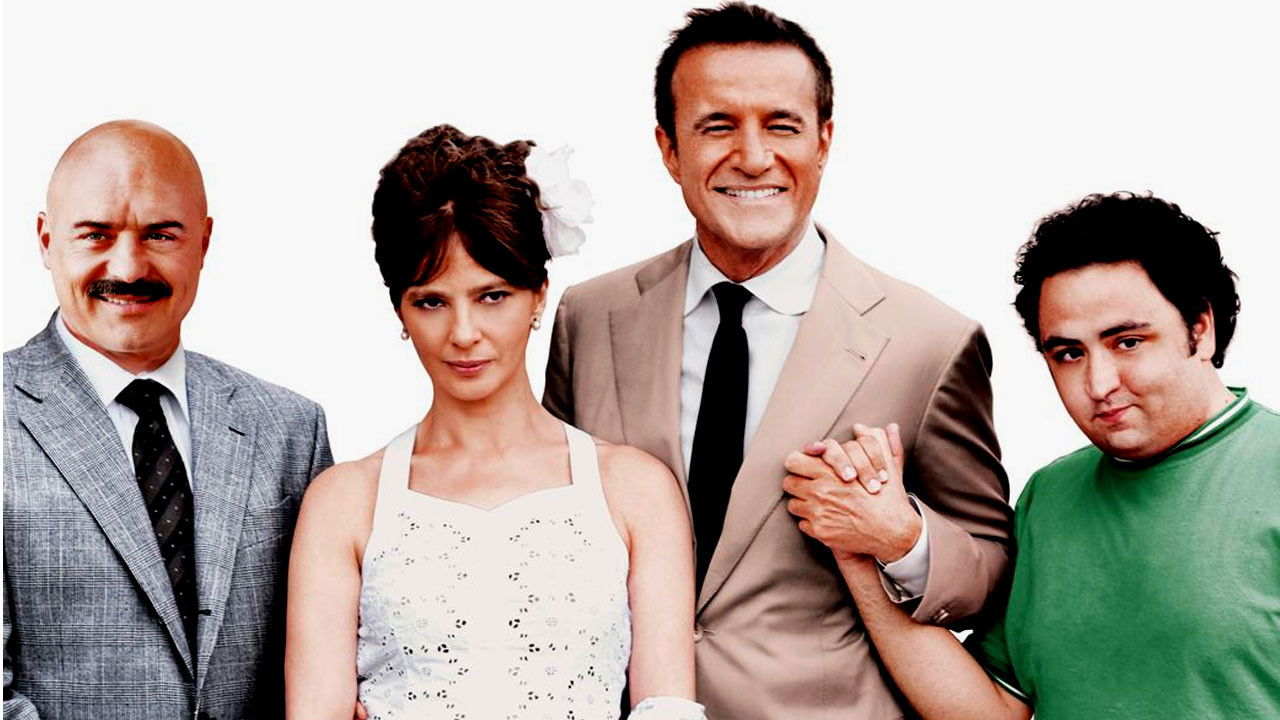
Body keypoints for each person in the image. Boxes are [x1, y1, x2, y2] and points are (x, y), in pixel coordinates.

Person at [542, 4, 1013, 717]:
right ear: (669, 148)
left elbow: (990, 569)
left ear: (824, 141)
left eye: (782, 125)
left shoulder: (930, 340)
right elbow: (546, 523)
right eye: (717, 125)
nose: (754, 157)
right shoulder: (590, 315)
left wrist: (901, 536)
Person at [792, 192, 1280, 719]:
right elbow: (990, 712)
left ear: (1200, 329)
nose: (1098, 384)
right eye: (1069, 353)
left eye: (1127, 342)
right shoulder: (1050, 495)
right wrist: (858, 548)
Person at [284, 125, 705, 720]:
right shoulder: (345, 502)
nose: (463, 333)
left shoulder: (635, 489)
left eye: (492, 296)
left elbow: (668, 708)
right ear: (399, 308)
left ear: (539, 294)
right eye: (432, 301)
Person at [3, 120, 333, 719]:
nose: (129, 267)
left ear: (203, 242)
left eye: (160, 234)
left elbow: (321, 663)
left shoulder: (290, 430)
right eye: (96, 234)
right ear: (46, 241)